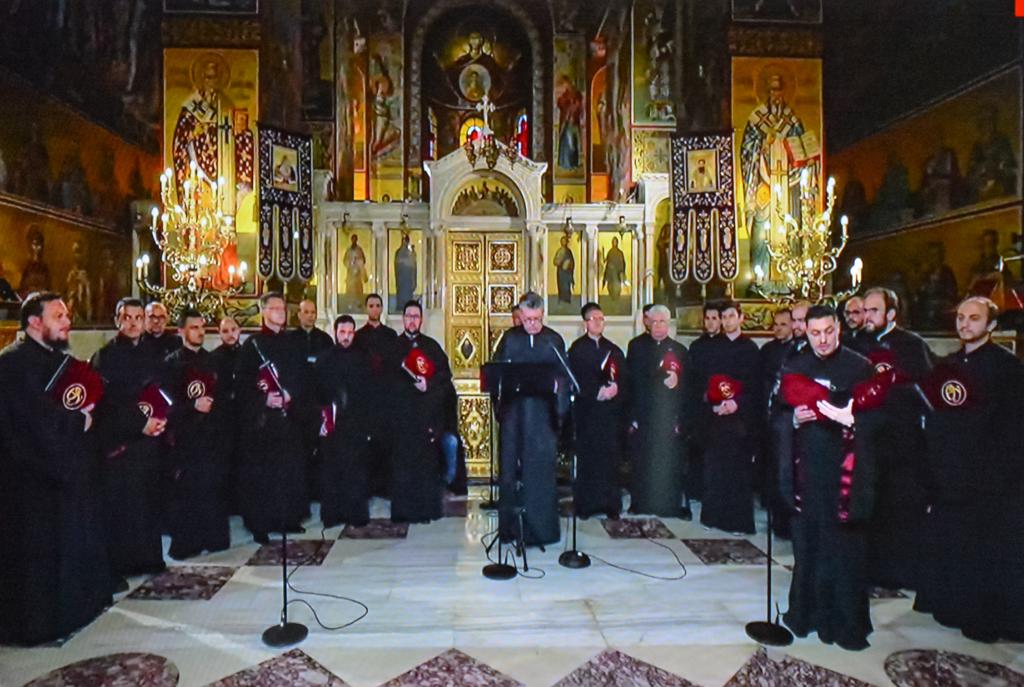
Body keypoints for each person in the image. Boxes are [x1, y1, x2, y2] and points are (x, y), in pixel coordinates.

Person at [0, 292, 111, 646]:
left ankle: (73, 612)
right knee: (38, 557)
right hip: (31, 480)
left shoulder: (55, 360)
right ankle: (40, 625)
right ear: (34, 322)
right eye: (58, 316)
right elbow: (31, 423)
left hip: (65, 474)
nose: (67, 322)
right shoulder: (12, 365)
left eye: (67, 315)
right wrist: (79, 420)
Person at [914, 297, 1024, 642]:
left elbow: (1011, 426)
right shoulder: (948, 365)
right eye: (960, 317)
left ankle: (980, 616)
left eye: (973, 318)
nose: (964, 324)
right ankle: (949, 606)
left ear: (990, 326)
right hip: (949, 470)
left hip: (988, 476)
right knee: (951, 543)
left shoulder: (1006, 368)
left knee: (983, 551)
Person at [774, 305, 882, 650]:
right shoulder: (795, 365)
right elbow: (775, 416)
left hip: (845, 477)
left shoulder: (859, 366)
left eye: (829, 332)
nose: (822, 340)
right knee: (809, 548)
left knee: (845, 551)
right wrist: (793, 419)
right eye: (815, 333)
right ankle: (804, 616)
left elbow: (882, 420)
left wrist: (853, 421)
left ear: (839, 329)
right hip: (807, 473)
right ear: (805, 331)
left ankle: (845, 624)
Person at [859, 287, 933, 591]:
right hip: (867, 439)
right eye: (864, 310)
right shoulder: (855, 343)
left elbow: (925, 390)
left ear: (891, 314)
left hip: (901, 441)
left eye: (873, 310)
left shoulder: (911, 345)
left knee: (898, 509)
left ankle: (899, 573)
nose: (866, 316)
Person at [91, 298, 168, 578]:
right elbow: (110, 403)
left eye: (138, 318)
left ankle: (149, 559)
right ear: (117, 321)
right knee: (125, 506)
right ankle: (124, 565)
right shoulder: (105, 357)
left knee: (148, 501)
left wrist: (161, 419)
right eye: (128, 317)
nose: (134, 323)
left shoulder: (151, 352)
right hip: (123, 443)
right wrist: (141, 424)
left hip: (150, 442)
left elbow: (161, 391)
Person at [492, 291, 569, 546]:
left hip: (542, 418)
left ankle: (541, 530)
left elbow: (563, 378)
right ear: (520, 316)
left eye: (536, 319)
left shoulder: (553, 340)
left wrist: (559, 412)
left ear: (543, 315)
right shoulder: (510, 339)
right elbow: (497, 375)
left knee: (541, 474)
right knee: (510, 474)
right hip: (514, 416)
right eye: (527, 319)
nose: (532, 325)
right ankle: (510, 529)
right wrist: (500, 407)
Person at [234, 293, 309, 543]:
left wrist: (290, 394)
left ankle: (288, 518)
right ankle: (260, 524)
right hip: (263, 422)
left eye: (282, 308)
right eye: (275, 308)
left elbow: (302, 377)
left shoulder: (294, 343)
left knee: (289, 470)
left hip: (288, 419)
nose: (280, 312)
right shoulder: (252, 345)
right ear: (263, 311)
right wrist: (264, 400)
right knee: (262, 475)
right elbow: (242, 385)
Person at [162, 309, 230, 560]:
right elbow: (166, 405)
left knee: (212, 489)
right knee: (188, 494)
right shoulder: (171, 364)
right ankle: (188, 543)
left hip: (211, 438)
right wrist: (192, 406)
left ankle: (214, 539)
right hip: (186, 440)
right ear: (181, 331)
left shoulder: (213, 361)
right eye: (194, 327)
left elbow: (223, 399)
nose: (200, 332)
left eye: (202, 327)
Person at [697, 301, 760, 534]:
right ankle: (714, 517)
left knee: (738, 471)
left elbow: (755, 387)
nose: (726, 321)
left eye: (731, 316)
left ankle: (737, 521)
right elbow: (707, 380)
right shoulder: (714, 348)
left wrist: (736, 403)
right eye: (723, 317)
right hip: (717, 417)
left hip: (739, 419)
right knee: (715, 469)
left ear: (741, 318)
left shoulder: (751, 349)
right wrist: (713, 403)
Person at [389, 301, 452, 523]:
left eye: (416, 316)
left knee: (425, 466)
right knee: (403, 467)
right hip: (402, 417)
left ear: (421, 319)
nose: (412, 320)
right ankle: (403, 512)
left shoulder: (431, 347)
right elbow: (385, 382)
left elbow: (445, 377)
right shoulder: (394, 347)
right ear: (403, 319)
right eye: (408, 316)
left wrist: (429, 384)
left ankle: (426, 511)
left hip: (425, 416)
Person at [626, 304, 689, 517]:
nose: (658, 326)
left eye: (662, 321)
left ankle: (669, 504)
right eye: (654, 321)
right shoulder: (636, 346)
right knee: (642, 460)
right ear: (647, 323)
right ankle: (640, 503)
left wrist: (678, 381)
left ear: (668, 324)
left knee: (668, 460)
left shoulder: (679, 350)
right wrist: (632, 416)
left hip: (668, 414)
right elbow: (631, 382)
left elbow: (688, 384)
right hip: (644, 412)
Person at [568, 303, 626, 519]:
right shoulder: (576, 349)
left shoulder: (613, 349)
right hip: (588, 413)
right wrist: (596, 392)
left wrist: (615, 389)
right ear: (585, 323)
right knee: (588, 458)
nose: (598, 322)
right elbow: (575, 379)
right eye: (594, 319)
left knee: (609, 459)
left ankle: (610, 505)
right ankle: (586, 505)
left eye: (601, 318)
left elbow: (622, 378)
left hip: (609, 415)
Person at [315, 315, 373, 527]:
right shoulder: (324, 359)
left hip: (356, 424)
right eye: (342, 332)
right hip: (332, 425)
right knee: (331, 471)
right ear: (335, 332)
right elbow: (317, 392)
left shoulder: (363, 359)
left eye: (350, 333)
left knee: (356, 470)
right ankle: (332, 515)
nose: (346, 337)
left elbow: (369, 394)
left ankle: (356, 514)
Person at [355, 293, 398, 497]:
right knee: (366, 443)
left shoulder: (390, 335)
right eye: (371, 305)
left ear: (381, 309)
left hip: (385, 395)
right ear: (366, 308)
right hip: (365, 396)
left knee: (385, 442)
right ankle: (368, 486)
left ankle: (385, 486)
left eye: (377, 305)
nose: (374, 309)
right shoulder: (358, 336)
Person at [291, 299, 333, 499]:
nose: (310, 315)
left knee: (322, 449)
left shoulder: (324, 340)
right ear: (298, 314)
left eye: (313, 312)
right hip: (298, 403)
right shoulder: (289, 340)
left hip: (320, 401)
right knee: (300, 449)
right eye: (306, 311)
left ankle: (319, 491)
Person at [685, 301, 723, 501]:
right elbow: (691, 377)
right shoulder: (696, 346)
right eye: (707, 319)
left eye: (714, 319)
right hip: (701, 405)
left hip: (721, 406)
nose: (710, 323)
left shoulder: (726, 345)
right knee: (698, 450)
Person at [210, 316, 243, 512]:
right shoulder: (213, 358)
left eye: (233, 330)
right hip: (223, 418)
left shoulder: (247, 354)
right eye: (225, 331)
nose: (230, 335)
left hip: (244, 416)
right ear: (219, 333)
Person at [394, 232, 418, 307]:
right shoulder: (398, 252)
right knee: (401, 293)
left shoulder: (411, 252)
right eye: (403, 241)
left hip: (408, 277)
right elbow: (397, 262)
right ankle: (400, 306)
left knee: (407, 294)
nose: (404, 243)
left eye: (405, 241)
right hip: (401, 277)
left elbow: (413, 265)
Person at [344, 234, 369, 303]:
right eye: (353, 239)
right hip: (350, 273)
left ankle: (359, 302)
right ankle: (350, 303)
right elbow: (345, 261)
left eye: (355, 239)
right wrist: (350, 262)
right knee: (350, 289)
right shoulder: (348, 250)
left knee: (358, 289)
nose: (354, 240)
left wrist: (358, 261)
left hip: (358, 273)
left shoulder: (359, 250)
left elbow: (363, 260)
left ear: (357, 240)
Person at [554, 235, 576, 304]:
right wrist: (560, 262)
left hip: (567, 272)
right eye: (562, 241)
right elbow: (555, 261)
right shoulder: (560, 251)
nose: (563, 242)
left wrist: (569, 264)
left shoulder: (569, 251)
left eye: (564, 241)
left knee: (567, 285)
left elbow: (572, 261)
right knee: (561, 285)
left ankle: (567, 299)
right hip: (561, 271)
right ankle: (561, 298)